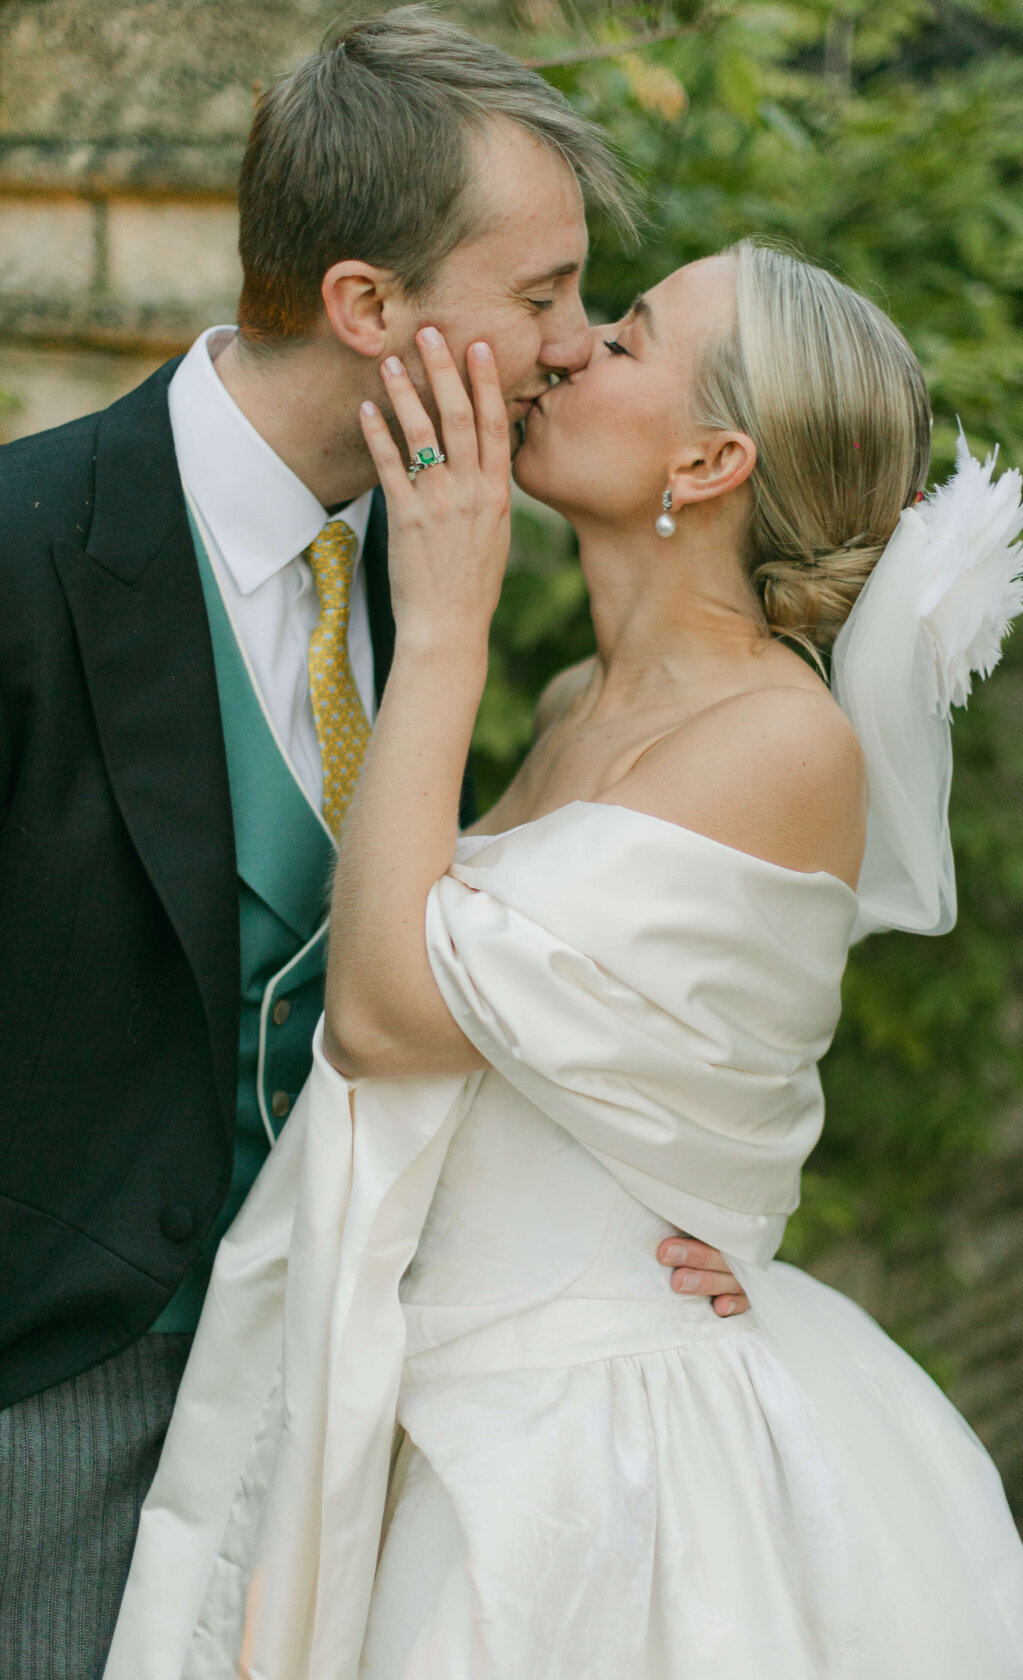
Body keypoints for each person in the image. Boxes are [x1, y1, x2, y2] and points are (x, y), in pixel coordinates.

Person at [105, 244, 1023, 1677]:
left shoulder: (783, 744)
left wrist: (443, 630)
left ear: (712, 458)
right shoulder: (573, 704)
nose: (566, 350)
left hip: (592, 1458)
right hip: (425, 1383)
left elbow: (383, 1014)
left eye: (625, 341)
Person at [0, 12, 745, 1677]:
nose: (570, 342)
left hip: (332, 1392)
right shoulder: (21, 550)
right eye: (541, 292)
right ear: (367, 307)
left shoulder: (432, 548)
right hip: (44, 1408)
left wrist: (661, 1215)